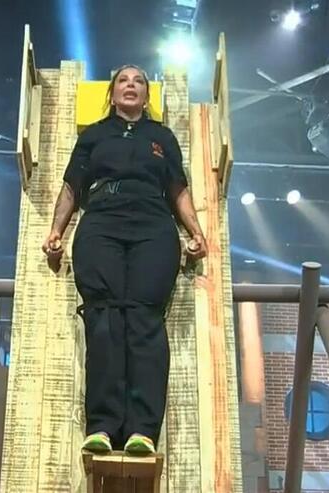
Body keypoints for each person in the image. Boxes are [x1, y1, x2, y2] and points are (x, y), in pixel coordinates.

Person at [41, 64, 206, 455]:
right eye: (123, 81)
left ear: (147, 96)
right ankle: (102, 426)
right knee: (104, 318)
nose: (131, 86)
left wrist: (196, 232)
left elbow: (178, 190)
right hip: (101, 223)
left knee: (145, 320)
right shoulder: (95, 136)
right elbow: (71, 187)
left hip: (153, 224)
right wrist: (56, 232)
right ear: (112, 94)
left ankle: (143, 430)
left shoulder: (161, 137)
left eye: (139, 82)